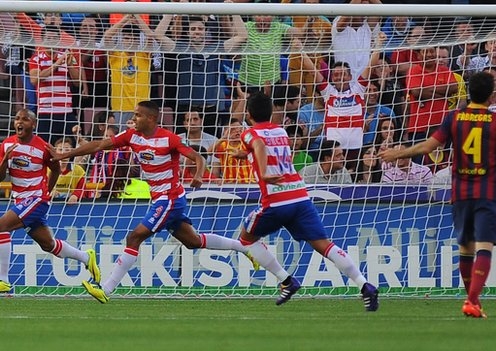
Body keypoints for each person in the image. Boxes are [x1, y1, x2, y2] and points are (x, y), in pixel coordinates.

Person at [50, 100, 262, 303]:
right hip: (161, 199)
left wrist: (198, 175)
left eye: (138, 115)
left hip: (169, 199)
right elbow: (99, 145)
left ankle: (106, 289)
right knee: (193, 242)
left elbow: (199, 158)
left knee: (134, 237)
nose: (134, 119)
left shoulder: (169, 139)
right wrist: (66, 154)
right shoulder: (132, 136)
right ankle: (244, 248)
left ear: (151, 118)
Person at [233, 92, 379, 310]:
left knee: (246, 239)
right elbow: (260, 148)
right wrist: (243, 154)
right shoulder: (281, 131)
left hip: (276, 200)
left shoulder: (249, 133)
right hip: (300, 196)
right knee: (324, 245)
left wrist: (263, 172)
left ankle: (286, 280)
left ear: (248, 114)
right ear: (272, 112)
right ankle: (364, 285)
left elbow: (260, 146)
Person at [378, 71, 496, 318]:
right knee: (484, 246)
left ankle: (472, 301)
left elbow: (427, 147)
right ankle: (472, 300)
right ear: (490, 95)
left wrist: (397, 154)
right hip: (486, 192)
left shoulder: (453, 118)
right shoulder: (494, 122)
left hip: (460, 192)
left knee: (465, 247)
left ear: (468, 93)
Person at [0, 109, 100, 293]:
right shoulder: (6, 145)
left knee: (0, 227)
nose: (19, 122)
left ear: (34, 124)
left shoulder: (43, 147)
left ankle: (3, 281)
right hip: (20, 201)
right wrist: (4, 162)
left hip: (36, 199)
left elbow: (55, 169)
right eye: (17, 119)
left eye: (25, 119)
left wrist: (47, 190)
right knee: (48, 244)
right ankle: (86, 257)